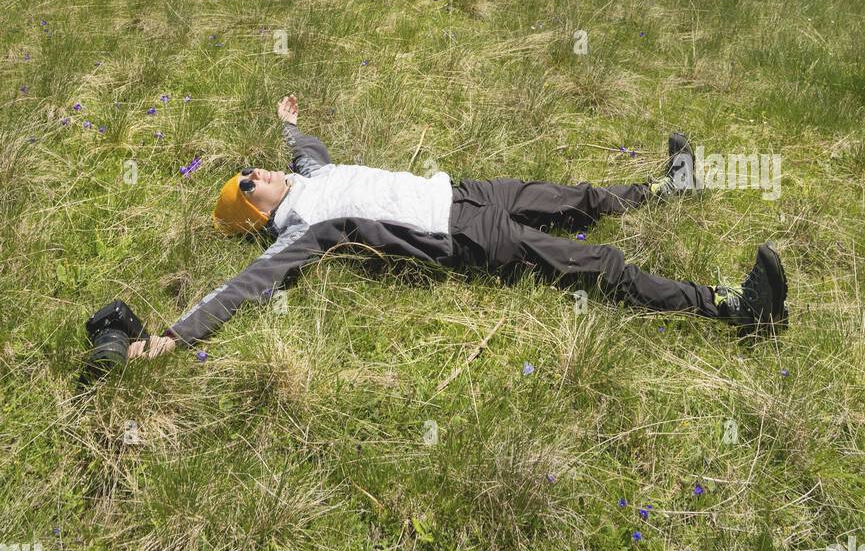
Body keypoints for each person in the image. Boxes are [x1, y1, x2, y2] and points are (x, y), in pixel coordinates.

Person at [128, 94, 788, 361]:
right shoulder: (302, 227)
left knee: (572, 198)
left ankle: (665, 188)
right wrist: (171, 338)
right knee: (601, 266)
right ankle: (735, 309)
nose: (256, 171)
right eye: (246, 182)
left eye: (251, 167)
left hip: (458, 191)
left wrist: (287, 121)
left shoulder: (306, 178)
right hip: (459, 236)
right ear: (255, 213)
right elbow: (246, 286)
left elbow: (307, 150)